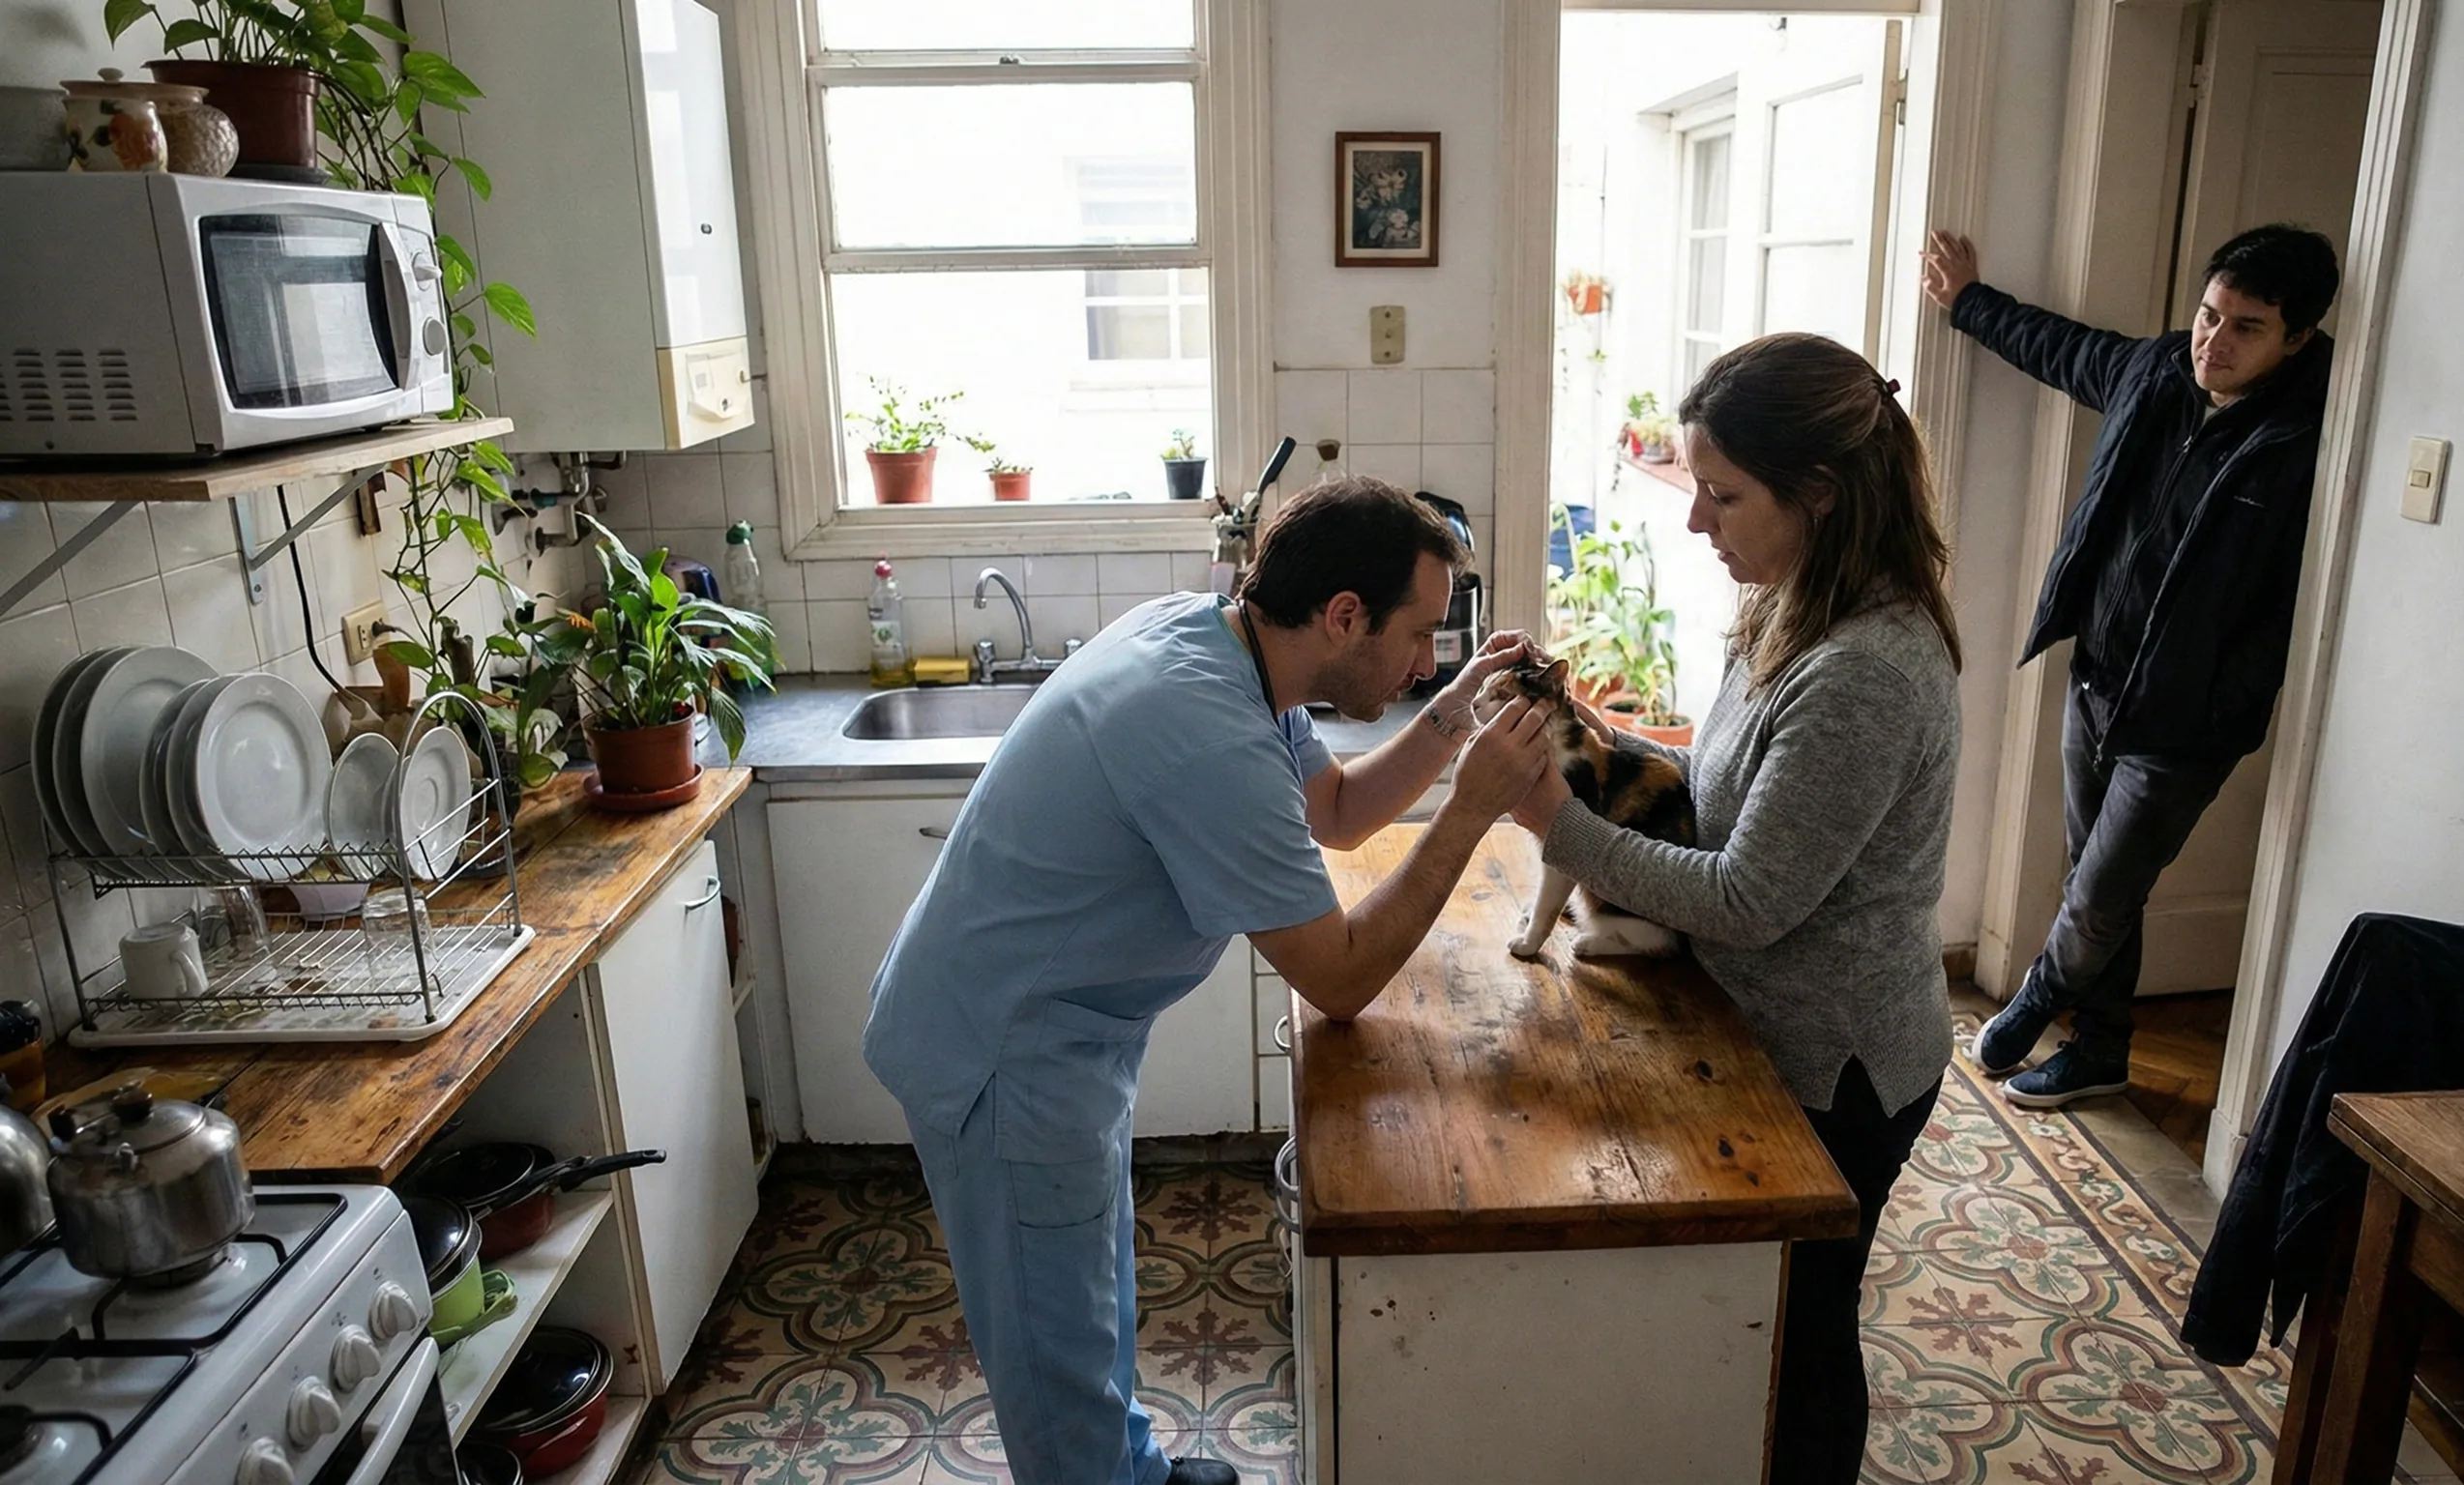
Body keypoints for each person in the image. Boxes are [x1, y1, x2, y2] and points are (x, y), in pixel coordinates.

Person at [863, 476, 1554, 1485]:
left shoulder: (1220, 641)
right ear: (1343, 615)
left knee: (1085, 1290)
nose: (1424, 662)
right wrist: (1470, 811)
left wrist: (1454, 720)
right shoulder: (1205, 733)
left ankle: (1127, 1466)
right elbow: (1342, 977)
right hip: (1001, 1055)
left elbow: (1338, 808)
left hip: (1057, 1033)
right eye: (1420, 638)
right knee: (1046, 1334)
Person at [1508, 333, 1963, 1484]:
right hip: (1757, 1033)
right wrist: (1587, 734)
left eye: (1722, 494)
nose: (1697, 519)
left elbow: (1750, 897)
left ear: (1816, 495)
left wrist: (1546, 817)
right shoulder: (1792, 605)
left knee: (1803, 1342)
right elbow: (1723, 792)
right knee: (1740, 1327)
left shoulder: (1865, 669)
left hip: (1837, 1064)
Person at [1921, 223, 2340, 1109]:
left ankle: (2041, 996)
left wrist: (2228, 705)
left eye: (2245, 328)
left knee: (2103, 891)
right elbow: (2061, 348)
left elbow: (2289, 604)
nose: (2212, 343)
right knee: (2100, 883)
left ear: (2298, 336)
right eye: (2208, 314)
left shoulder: (2315, 439)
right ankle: (2102, 1051)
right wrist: (1968, 303)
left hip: (2186, 719)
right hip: (2098, 677)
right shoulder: (2155, 371)